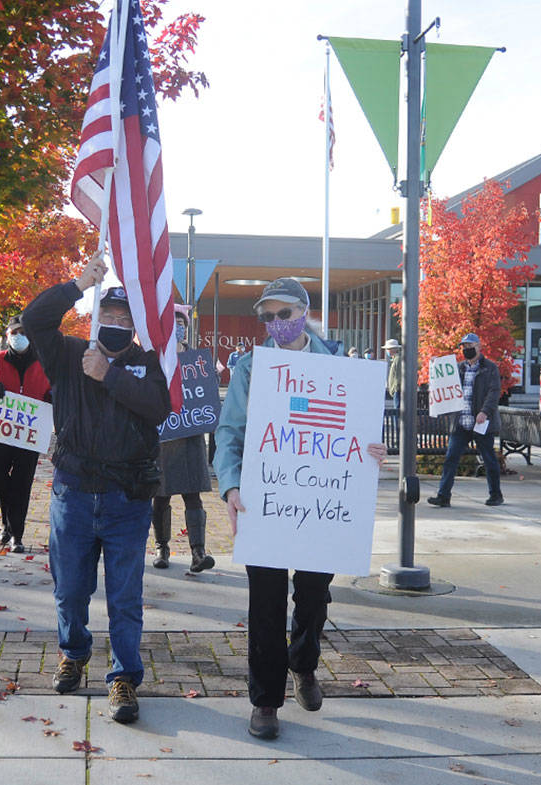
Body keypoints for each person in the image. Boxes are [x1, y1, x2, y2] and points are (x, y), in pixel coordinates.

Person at [214, 277, 386, 741]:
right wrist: (230, 487)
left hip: (323, 504)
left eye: (284, 314)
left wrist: (373, 449)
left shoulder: (342, 369)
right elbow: (228, 434)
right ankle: (266, 700)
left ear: (304, 313)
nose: (275, 324)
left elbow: (360, 433)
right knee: (265, 605)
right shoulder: (250, 369)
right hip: (265, 502)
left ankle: (303, 664)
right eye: (266, 316)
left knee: (313, 597)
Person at [21, 254, 171, 726]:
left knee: (124, 596)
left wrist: (110, 375)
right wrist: (77, 284)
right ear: (93, 317)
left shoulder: (148, 364)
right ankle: (74, 651)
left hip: (127, 500)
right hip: (74, 496)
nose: (115, 324)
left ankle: (124, 677)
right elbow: (33, 320)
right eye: (107, 316)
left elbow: (159, 409)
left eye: (125, 319)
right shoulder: (67, 354)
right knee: (70, 589)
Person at [151, 306, 215, 574]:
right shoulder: (154, 359)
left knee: (193, 496)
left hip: (190, 436)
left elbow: (207, 392)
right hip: (163, 437)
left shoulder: (196, 360)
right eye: (174, 322)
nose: (179, 327)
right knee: (161, 496)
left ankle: (198, 552)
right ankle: (161, 547)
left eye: (182, 323)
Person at [0, 315, 50, 553]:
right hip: (0, 431)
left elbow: (52, 389)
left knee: (22, 483)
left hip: (30, 434)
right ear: (8, 335)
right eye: (15, 332)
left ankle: (15, 535)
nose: (19, 336)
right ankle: (7, 521)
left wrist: (52, 398)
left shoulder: (43, 361)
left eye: (24, 332)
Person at [427, 332, 504, 509]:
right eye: (464, 347)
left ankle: (496, 494)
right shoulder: (458, 368)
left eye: (470, 346)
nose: (467, 349)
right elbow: (445, 385)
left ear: (479, 347)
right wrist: (435, 367)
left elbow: (494, 392)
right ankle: (443, 496)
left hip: (480, 423)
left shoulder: (490, 368)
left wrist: (484, 412)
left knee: (489, 459)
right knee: (451, 459)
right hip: (461, 423)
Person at [383, 338, 402, 411]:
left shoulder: (398, 359)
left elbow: (398, 375)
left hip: (397, 390)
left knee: (397, 411)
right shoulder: (395, 359)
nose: (387, 351)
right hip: (396, 390)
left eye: (388, 349)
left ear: (392, 349)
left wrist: (395, 388)